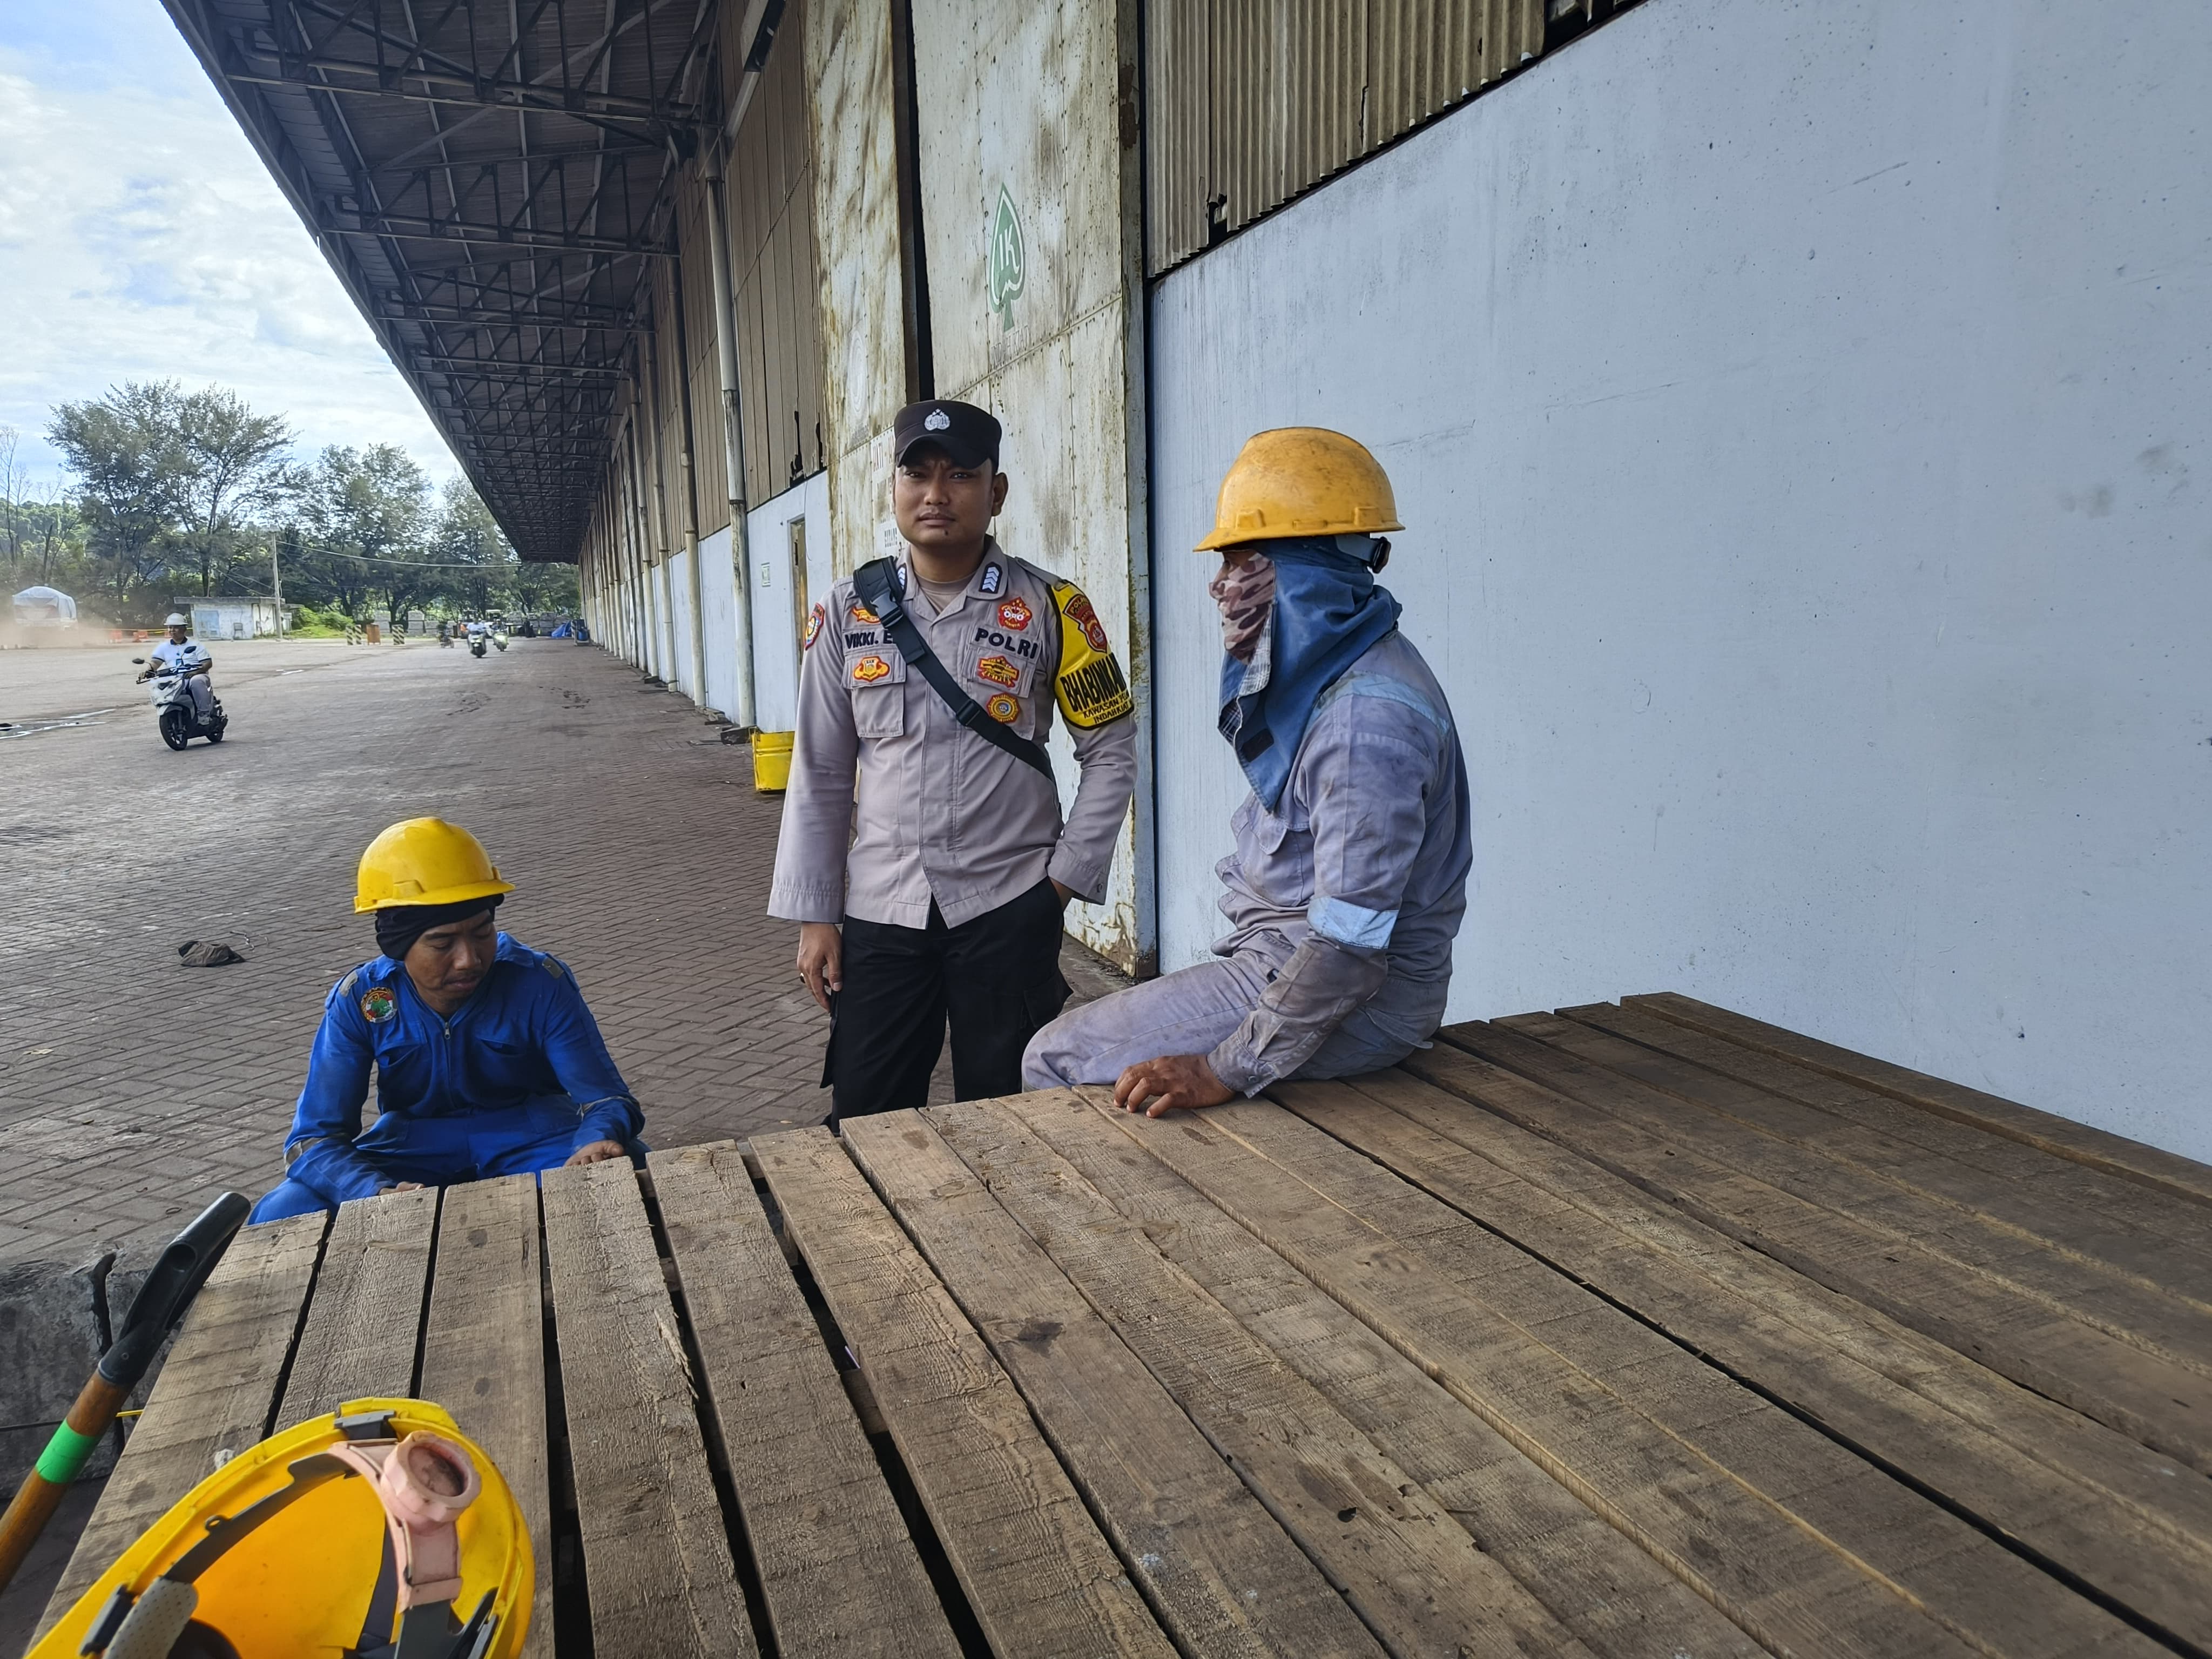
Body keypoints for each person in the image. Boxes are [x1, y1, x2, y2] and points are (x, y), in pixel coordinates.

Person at [1023, 427, 1472, 1116]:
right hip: (1290, 964)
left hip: (1356, 1002)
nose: (1219, 588)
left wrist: (1223, 1067)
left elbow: (1348, 948)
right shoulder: (1337, 675)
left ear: (1302, 574)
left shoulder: (1365, 726)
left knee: (1053, 1057)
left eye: (1237, 564)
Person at [771, 398, 1139, 1125]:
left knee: (1012, 1116)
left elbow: (1111, 750)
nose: (936, 494)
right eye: (918, 475)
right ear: (894, 487)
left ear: (995, 493)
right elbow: (820, 771)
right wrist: (816, 916)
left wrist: (1062, 884)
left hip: (1009, 904)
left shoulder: (1054, 609)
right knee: (870, 1117)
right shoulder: (847, 613)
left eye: (961, 475)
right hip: (882, 910)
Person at [248, 818, 646, 1222]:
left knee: (629, 1168)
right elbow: (314, 1138)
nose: (469, 960)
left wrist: (594, 1141)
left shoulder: (539, 982)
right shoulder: (360, 999)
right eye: (442, 943)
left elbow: (607, 1099)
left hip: (538, 1139)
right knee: (286, 1209)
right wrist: (373, 1191)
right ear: (397, 945)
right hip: (411, 1148)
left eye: (482, 933)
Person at [138, 613, 216, 727]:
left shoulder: (196, 645)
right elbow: (155, 662)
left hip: (196, 675)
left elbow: (207, 663)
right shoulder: (163, 647)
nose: (172, 630)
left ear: (184, 629)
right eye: (170, 627)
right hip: (175, 677)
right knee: (159, 684)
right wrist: (148, 671)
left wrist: (195, 672)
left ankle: (203, 714)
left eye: (176, 628)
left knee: (196, 682)